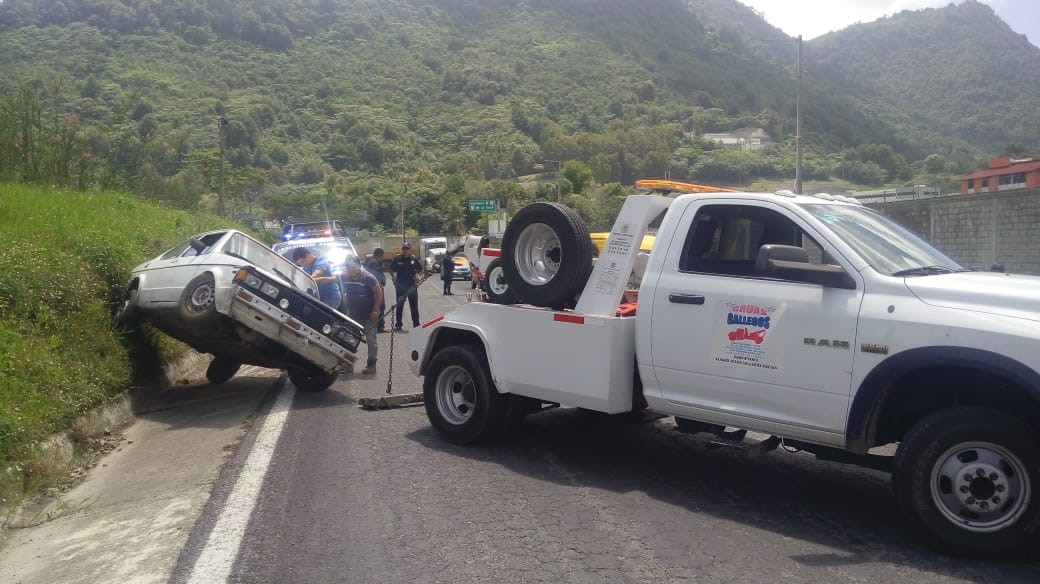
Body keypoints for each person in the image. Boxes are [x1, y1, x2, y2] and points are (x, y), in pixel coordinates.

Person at [341, 258, 383, 374]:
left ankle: (371, 365)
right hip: (353, 315)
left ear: (359, 265)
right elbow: (329, 279)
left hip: (369, 315)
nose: (351, 269)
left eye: (354, 266)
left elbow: (379, 293)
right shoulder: (344, 277)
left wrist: (375, 310)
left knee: (371, 340)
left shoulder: (368, 278)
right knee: (348, 339)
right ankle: (348, 365)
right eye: (349, 267)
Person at [388, 242, 424, 331]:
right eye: (404, 248)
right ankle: (398, 325)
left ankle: (416, 325)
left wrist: (418, 275)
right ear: (402, 249)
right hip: (400, 285)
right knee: (399, 306)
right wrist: (393, 276)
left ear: (410, 249)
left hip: (412, 286)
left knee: (414, 307)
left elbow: (421, 269)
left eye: (407, 248)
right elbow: (391, 269)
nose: (405, 250)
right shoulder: (397, 259)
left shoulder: (414, 259)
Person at [364, 248, 389, 332]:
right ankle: (380, 326)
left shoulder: (368, 260)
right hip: (376, 287)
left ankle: (375, 325)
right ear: (381, 255)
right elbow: (377, 276)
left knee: (374, 306)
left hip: (369, 287)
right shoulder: (374, 263)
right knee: (381, 306)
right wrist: (380, 288)